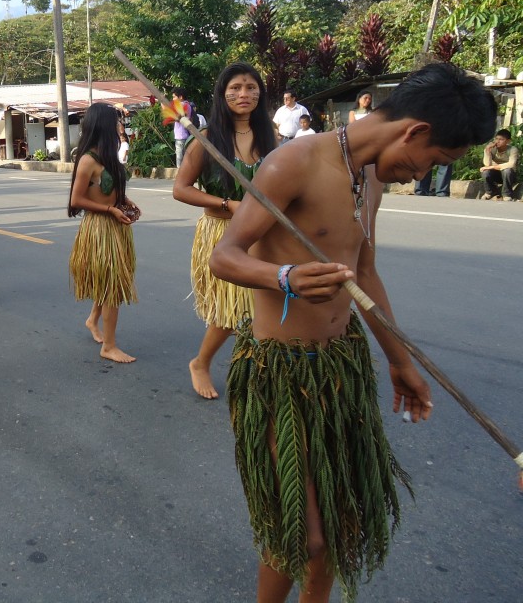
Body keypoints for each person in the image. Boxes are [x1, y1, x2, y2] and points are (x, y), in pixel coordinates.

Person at [209, 62, 496, 602]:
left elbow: (364, 272)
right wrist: (285, 276)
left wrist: (400, 360)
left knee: (342, 529)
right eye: (436, 161)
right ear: (415, 132)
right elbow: (225, 257)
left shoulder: (368, 175)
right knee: (303, 535)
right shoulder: (293, 162)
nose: (421, 173)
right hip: (281, 371)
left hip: (340, 367)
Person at [174, 63, 276, 398]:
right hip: (223, 233)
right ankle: (201, 363)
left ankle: (256, 370)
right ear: (223, 93)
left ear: (260, 92)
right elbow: (181, 189)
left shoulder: (269, 136)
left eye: (250, 87)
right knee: (230, 311)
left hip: (264, 234)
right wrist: (230, 206)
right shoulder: (207, 140)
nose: (243, 94)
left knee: (263, 306)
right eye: (235, 87)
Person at [68, 102, 142, 363]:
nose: (119, 125)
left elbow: (107, 189)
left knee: (110, 281)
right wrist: (110, 210)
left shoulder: (109, 154)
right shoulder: (88, 159)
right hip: (100, 228)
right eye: (115, 121)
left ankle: (92, 320)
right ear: (103, 124)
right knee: (112, 287)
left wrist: (124, 199)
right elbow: (76, 200)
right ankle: (109, 346)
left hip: (115, 226)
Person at [479, 128, 519, 201]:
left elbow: (511, 165)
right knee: (485, 172)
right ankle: (490, 192)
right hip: (496, 174)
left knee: (507, 171)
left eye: (501, 139)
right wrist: (487, 151)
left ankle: (507, 194)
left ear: (508, 141)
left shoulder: (513, 149)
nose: (497, 141)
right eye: (496, 139)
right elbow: (487, 164)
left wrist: (492, 167)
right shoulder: (492, 149)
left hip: (509, 176)